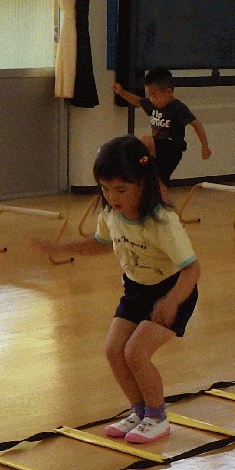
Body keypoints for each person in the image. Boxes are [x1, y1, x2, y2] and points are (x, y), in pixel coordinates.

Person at [40, 137, 201, 445]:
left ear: (143, 183)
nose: (112, 197)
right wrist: (61, 247)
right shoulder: (111, 214)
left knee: (136, 353)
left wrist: (172, 300)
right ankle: (140, 412)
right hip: (136, 289)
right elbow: (101, 244)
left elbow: (192, 269)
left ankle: (158, 418)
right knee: (114, 352)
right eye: (105, 189)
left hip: (172, 291)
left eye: (121, 190)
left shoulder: (162, 222)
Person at [112, 68, 211, 187]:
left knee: (145, 140)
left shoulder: (177, 107)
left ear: (168, 92)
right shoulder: (153, 104)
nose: (151, 99)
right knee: (159, 185)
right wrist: (121, 92)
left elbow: (196, 124)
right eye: (149, 96)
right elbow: (138, 101)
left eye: (154, 95)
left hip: (172, 148)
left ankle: (140, 167)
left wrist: (205, 146)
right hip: (158, 148)